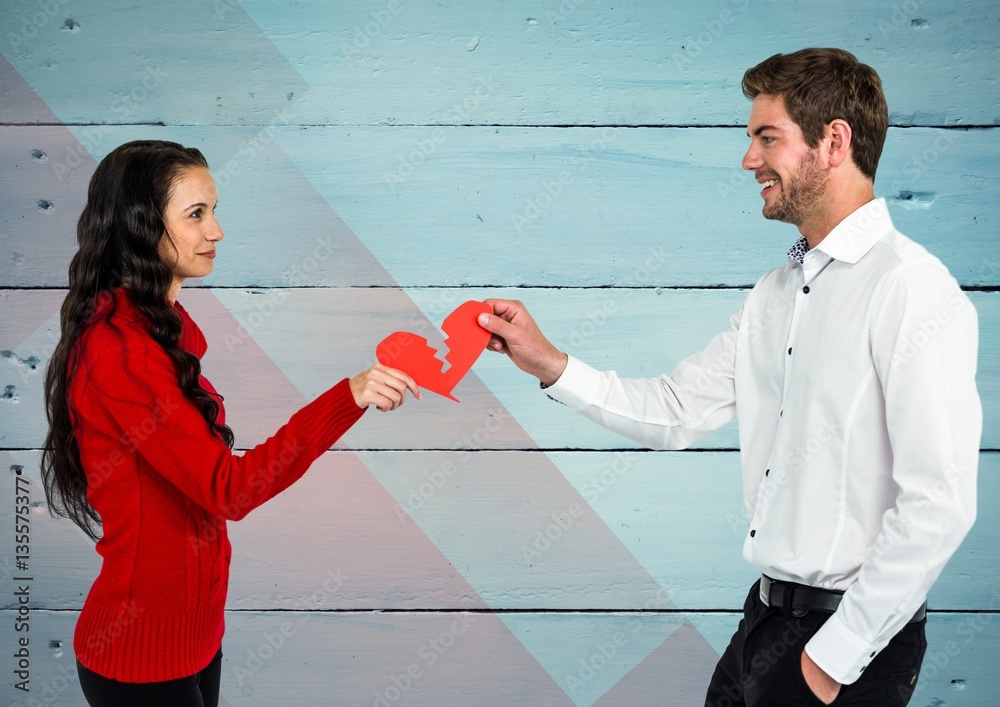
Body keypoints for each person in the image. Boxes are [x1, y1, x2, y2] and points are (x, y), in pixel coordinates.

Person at [477, 48, 980, 706]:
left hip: (847, 648)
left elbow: (938, 502)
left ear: (834, 141)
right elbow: (677, 409)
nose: (749, 160)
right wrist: (548, 361)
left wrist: (831, 662)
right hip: (763, 623)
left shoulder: (911, 289)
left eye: (767, 138)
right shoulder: (777, 293)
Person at [41, 140, 420, 707]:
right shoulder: (120, 354)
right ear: (143, 225)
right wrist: (348, 396)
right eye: (196, 215)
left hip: (193, 646)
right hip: (139, 662)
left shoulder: (159, 334)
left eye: (214, 211)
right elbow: (229, 490)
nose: (216, 232)